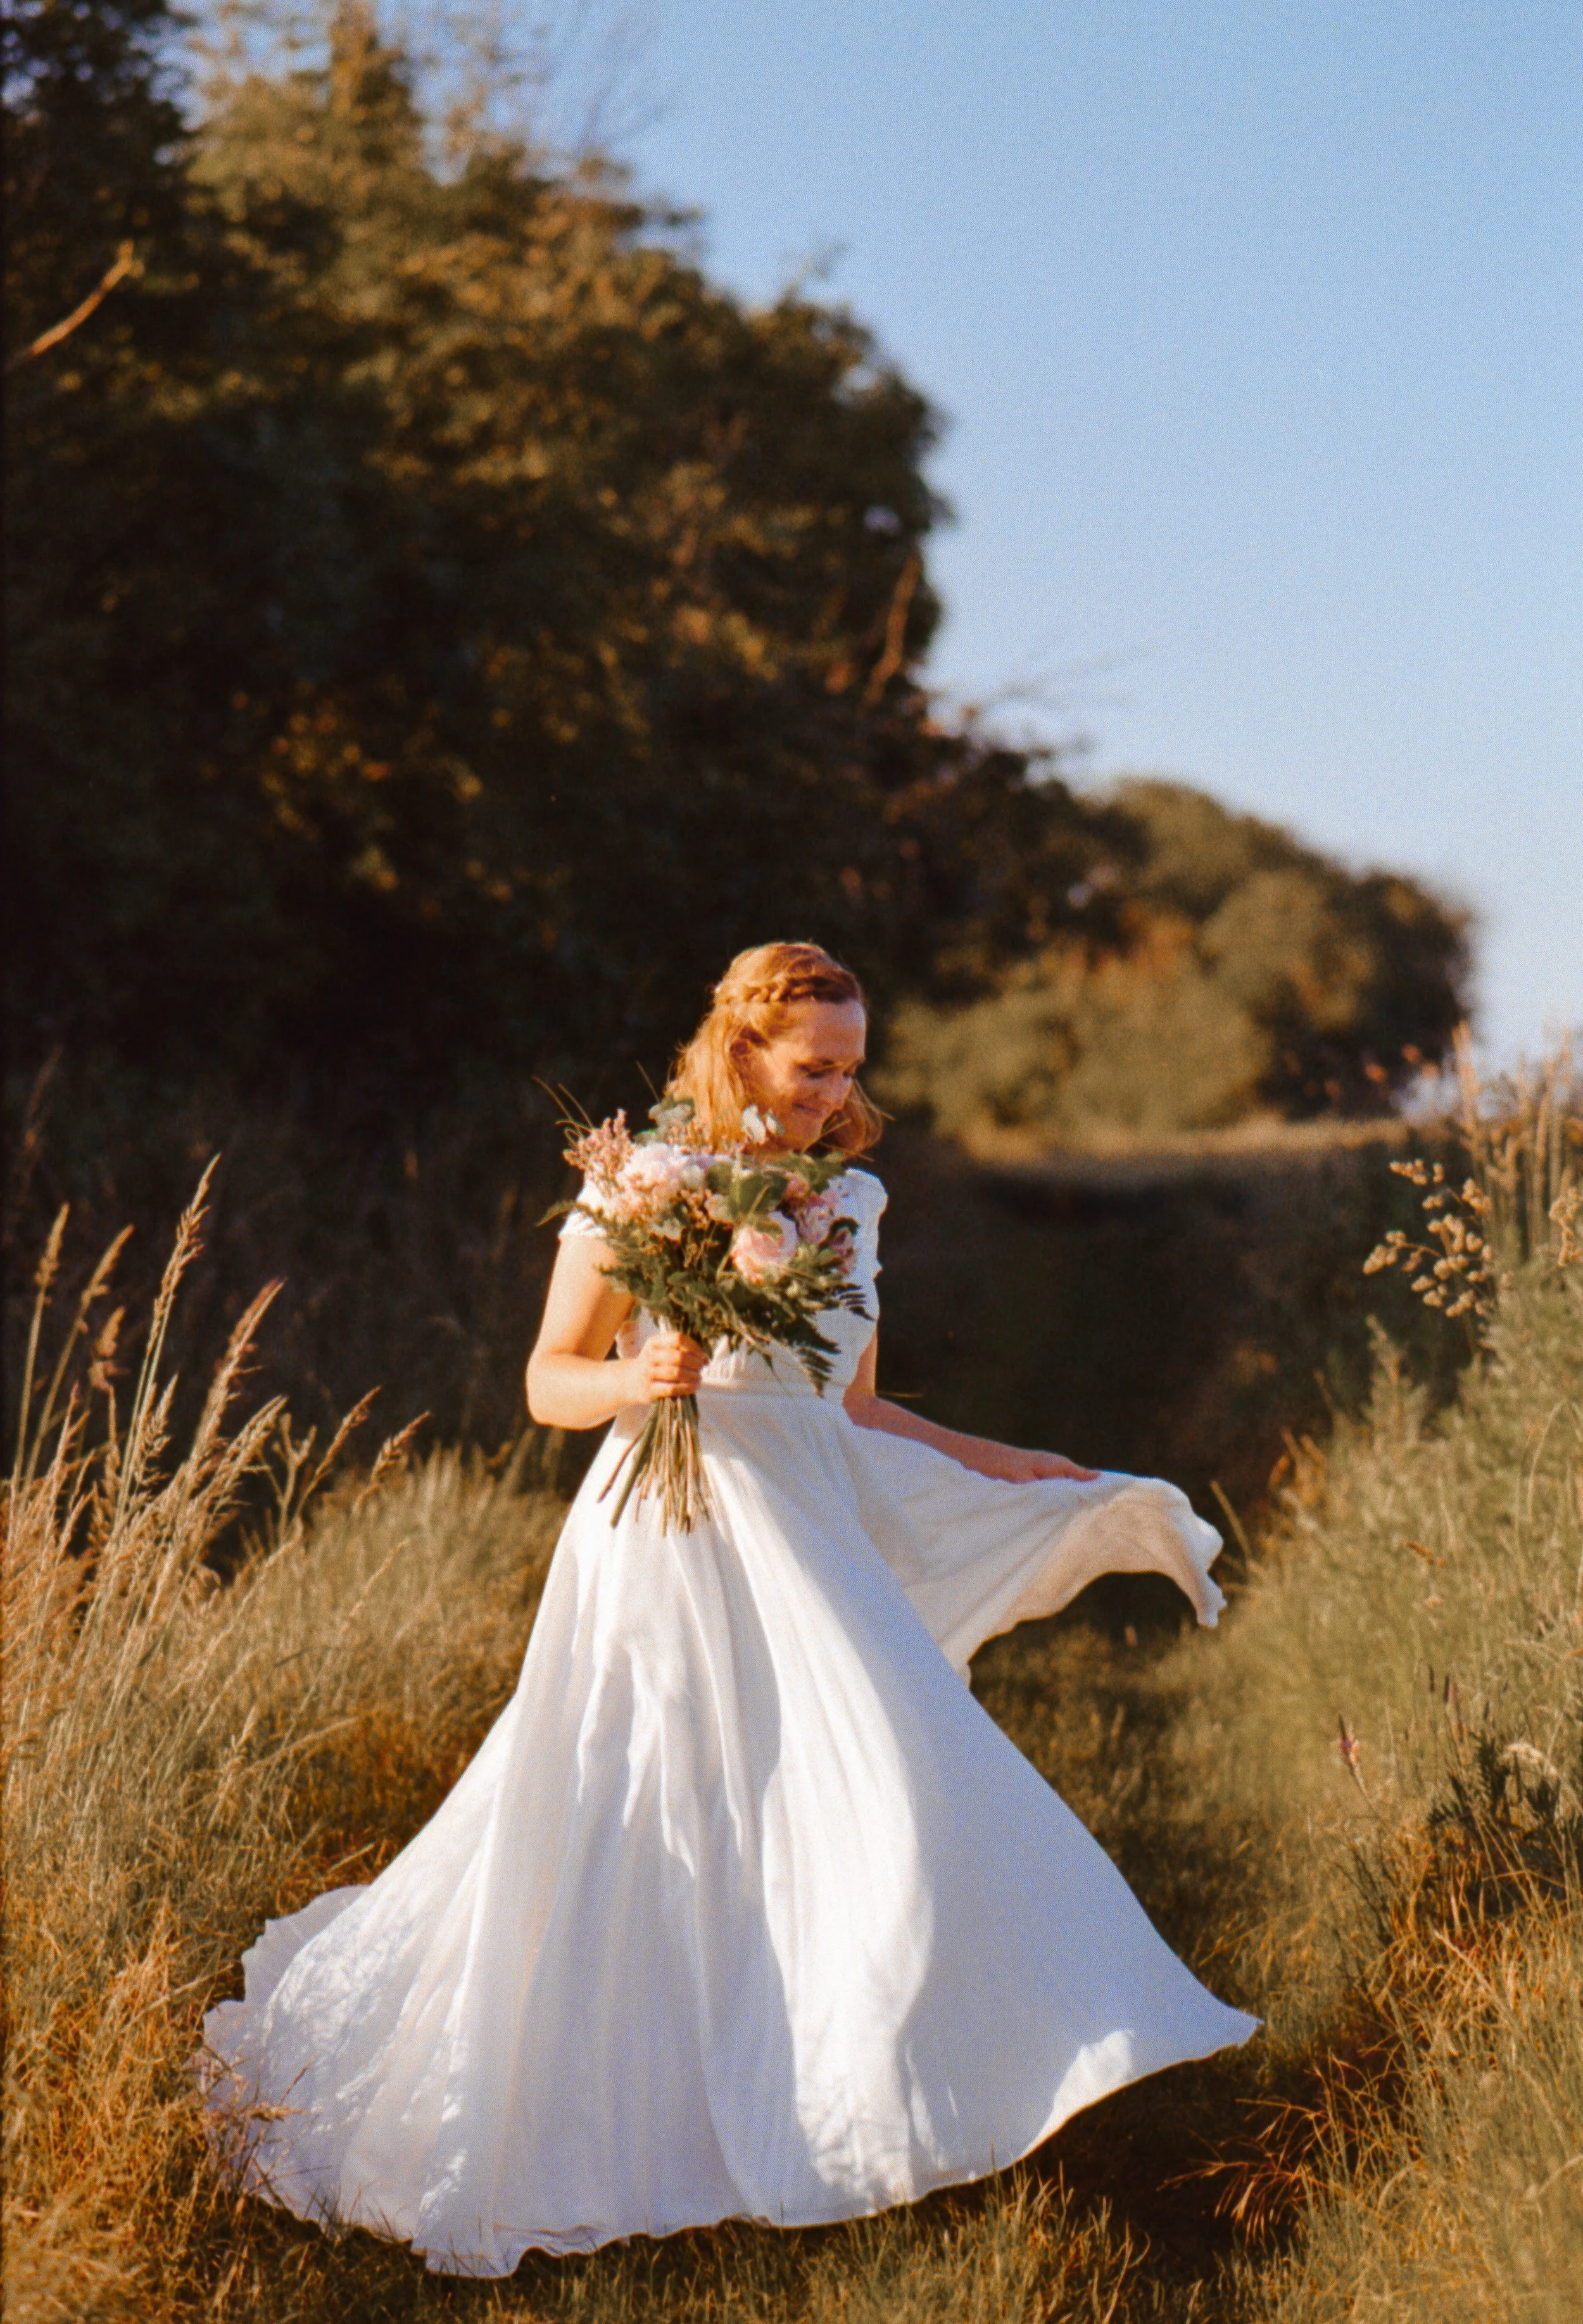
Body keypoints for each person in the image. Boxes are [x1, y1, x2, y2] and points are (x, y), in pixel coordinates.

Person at [203, 941, 1256, 2277]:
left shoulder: (852, 1204)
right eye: (812, 1066)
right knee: (648, 1800)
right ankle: (634, 2109)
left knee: (879, 1782)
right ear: (740, 1049)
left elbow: (858, 1405)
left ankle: (877, 2084)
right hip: (669, 1527)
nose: (831, 1093)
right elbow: (545, 1381)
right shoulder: (639, 1191)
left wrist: (1009, 1461)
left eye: (849, 1070)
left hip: (807, 1522)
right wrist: (643, 1376)